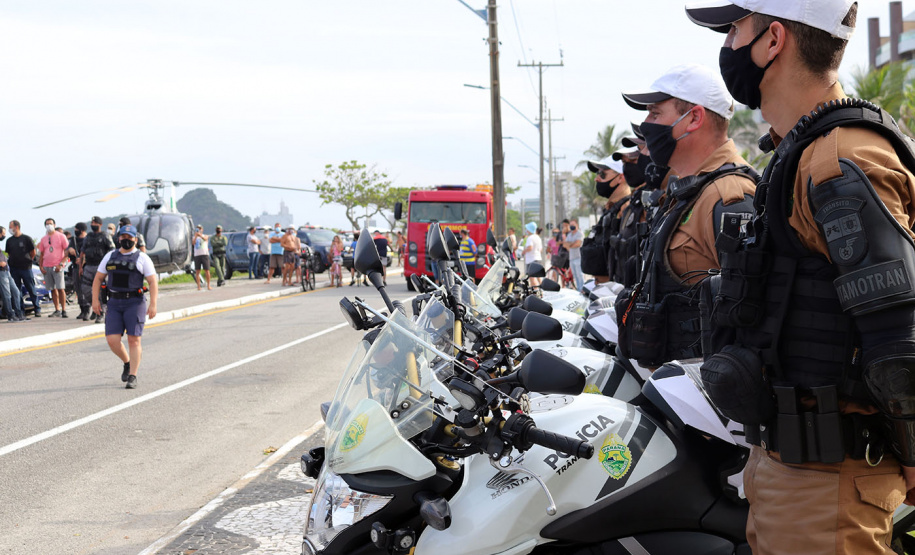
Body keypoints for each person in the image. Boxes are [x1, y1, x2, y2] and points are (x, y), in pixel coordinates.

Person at [686, 2, 914, 553]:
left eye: (736, 28)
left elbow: (899, 338)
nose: (729, 45)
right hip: (788, 470)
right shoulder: (802, 152)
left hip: (829, 485)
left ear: (773, 40)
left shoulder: (838, 159)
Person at [615, 63, 757, 370]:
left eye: (655, 114)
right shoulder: (687, 193)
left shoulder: (728, 196)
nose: (647, 124)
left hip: (708, 402)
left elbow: (752, 315)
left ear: (693, 117)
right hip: (675, 391)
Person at [92, 225, 157, 389]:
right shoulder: (110, 256)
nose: (126, 240)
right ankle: (127, 362)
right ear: (118, 238)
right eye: (123, 237)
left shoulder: (142, 258)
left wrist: (153, 304)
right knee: (112, 340)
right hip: (114, 302)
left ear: (136, 239)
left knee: (133, 340)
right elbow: (98, 278)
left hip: (134, 302)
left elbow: (152, 281)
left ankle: (133, 376)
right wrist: (95, 301)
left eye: (129, 237)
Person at [80, 216, 115, 323]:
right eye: (92, 222)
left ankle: (101, 313)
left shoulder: (105, 236)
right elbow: (82, 251)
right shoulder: (88, 237)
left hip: (101, 267)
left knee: (101, 291)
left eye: (95, 222)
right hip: (89, 266)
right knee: (85, 290)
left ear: (100, 224)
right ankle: (96, 307)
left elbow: (112, 250)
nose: (93, 224)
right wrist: (81, 266)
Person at [37, 217, 70, 317]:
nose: (49, 226)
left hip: (58, 266)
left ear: (54, 225)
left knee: (61, 288)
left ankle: (64, 310)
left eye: (51, 223)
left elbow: (67, 252)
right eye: (47, 224)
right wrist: (41, 266)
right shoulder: (43, 239)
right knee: (52, 289)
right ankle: (57, 309)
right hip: (47, 266)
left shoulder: (61, 236)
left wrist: (61, 264)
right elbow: (42, 254)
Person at [6, 220, 40, 317]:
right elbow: (9, 253)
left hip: (26, 268)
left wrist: (28, 260)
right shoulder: (9, 241)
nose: (10, 229)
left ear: (16, 227)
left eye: (10, 227)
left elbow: (33, 252)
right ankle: (20, 311)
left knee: (31, 288)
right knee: (17, 291)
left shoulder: (26, 238)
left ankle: (37, 309)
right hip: (14, 269)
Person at [0, 226, 27, 322]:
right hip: (1, 272)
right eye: (3, 233)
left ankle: (19, 314)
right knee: (6, 295)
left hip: (7, 271)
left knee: (16, 292)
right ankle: (10, 315)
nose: (4, 235)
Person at [67, 222, 90, 320]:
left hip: (86, 267)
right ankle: (82, 310)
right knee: (78, 289)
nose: (75, 231)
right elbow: (66, 251)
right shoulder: (73, 240)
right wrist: (69, 249)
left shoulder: (88, 240)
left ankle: (88, 310)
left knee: (86, 289)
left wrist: (82, 260)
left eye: (77, 229)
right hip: (75, 267)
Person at [562, 220, 585, 291]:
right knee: (575, 275)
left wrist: (570, 244)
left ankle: (582, 289)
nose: (571, 226)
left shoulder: (579, 234)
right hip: (571, 258)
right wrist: (572, 244)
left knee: (579, 275)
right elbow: (565, 244)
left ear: (577, 225)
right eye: (570, 225)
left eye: (573, 224)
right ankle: (578, 289)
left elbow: (578, 244)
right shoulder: (569, 235)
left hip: (578, 257)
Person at [522, 222, 543, 287]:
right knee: (538, 276)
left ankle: (536, 291)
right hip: (538, 259)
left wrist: (523, 251)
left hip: (531, 260)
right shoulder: (538, 237)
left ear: (529, 229)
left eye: (527, 229)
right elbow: (540, 249)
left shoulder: (530, 238)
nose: (526, 230)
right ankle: (542, 289)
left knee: (532, 278)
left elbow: (530, 247)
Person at [192, 224, 212, 291]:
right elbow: (193, 243)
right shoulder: (194, 237)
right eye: (198, 229)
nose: (199, 230)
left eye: (200, 229)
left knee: (207, 270)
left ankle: (208, 285)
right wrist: (195, 236)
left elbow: (206, 239)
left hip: (204, 254)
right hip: (197, 255)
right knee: (197, 271)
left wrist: (200, 235)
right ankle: (198, 286)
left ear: (202, 230)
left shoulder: (205, 235)